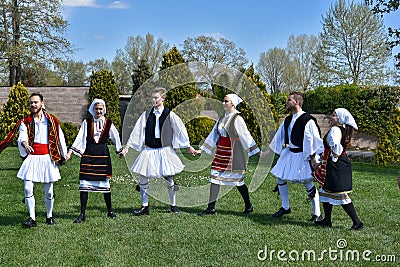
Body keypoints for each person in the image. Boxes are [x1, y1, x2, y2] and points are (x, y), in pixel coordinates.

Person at [121, 87, 196, 215]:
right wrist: (127, 147)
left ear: (163, 98)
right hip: (149, 150)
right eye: (153, 98)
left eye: (156, 98)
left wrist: (188, 146)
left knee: (169, 178)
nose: (154, 100)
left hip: (165, 150)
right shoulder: (146, 114)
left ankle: (173, 205)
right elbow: (137, 131)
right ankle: (145, 206)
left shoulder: (170, 114)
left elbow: (180, 130)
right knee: (143, 176)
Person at [0, 92, 68, 227]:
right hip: (32, 157)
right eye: (31, 102)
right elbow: (22, 137)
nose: (33, 104)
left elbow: (60, 137)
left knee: (49, 190)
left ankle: (49, 216)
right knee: (27, 188)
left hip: (47, 158)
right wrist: (25, 145)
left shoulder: (52, 120)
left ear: (42, 103)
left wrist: (63, 153)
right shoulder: (26, 121)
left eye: (36, 102)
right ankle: (32, 218)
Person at [196, 93, 261, 215]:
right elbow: (213, 135)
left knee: (238, 181)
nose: (223, 103)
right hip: (221, 151)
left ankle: (248, 205)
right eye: (223, 101)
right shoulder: (222, 118)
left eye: (226, 101)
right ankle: (211, 208)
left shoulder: (237, 118)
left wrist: (257, 152)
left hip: (233, 153)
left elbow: (246, 136)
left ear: (232, 103)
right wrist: (202, 150)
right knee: (215, 178)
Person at [66, 99, 123, 223]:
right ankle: (82, 213)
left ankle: (110, 210)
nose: (98, 111)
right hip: (89, 153)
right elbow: (79, 137)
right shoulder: (87, 122)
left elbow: (115, 136)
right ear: (93, 109)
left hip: (103, 154)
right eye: (96, 109)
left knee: (105, 184)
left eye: (101, 109)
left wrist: (119, 151)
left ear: (104, 110)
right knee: (84, 184)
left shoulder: (108, 123)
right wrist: (70, 152)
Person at [269, 92, 323, 221]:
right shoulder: (288, 119)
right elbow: (279, 135)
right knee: (280, 178)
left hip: (303, 155)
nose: (286, 102)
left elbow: (314, 139)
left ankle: (317, 214)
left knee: (307, 182)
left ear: (297, 102)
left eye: (289, 100)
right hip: (290, 153)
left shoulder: (308, 119)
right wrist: (270, 150)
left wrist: (313, 158)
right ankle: (285, 207)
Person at [314, 108, 364, 230]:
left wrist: (335, 156)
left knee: (341, 195)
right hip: (334, 164)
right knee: (326, 190)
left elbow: (336, 145)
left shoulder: (335, 130)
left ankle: (357, 222)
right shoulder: (340, 129)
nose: (332, 117)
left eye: (334, 115)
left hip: (336, 165)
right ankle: (327, 220)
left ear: (340, 119)